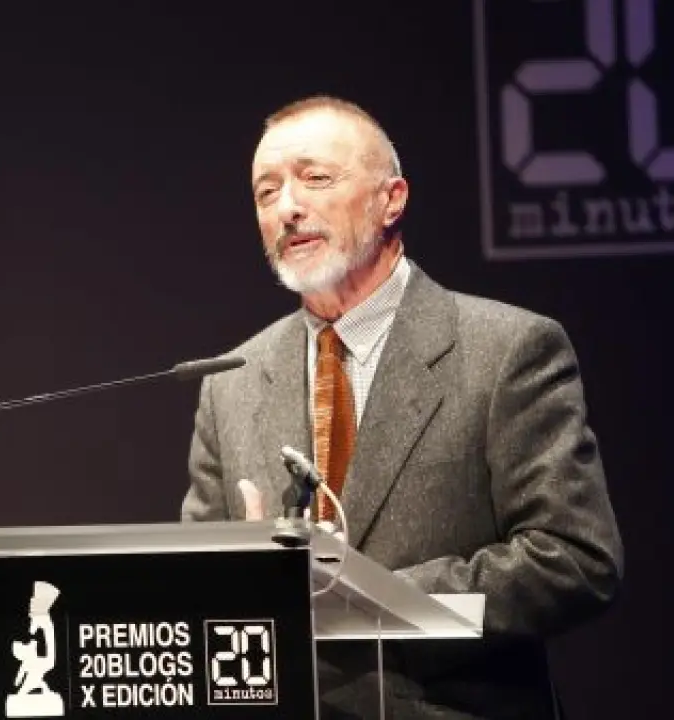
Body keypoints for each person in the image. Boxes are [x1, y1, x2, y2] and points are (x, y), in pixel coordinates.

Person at [180, 94, 623, 719]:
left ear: (392, 199)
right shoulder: (233, 380)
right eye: (266, 192)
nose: (288, 207)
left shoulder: (506, 350)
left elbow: (575, 559)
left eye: (315, 178)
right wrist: (241, 577)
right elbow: (198, 589)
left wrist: (373, 600)